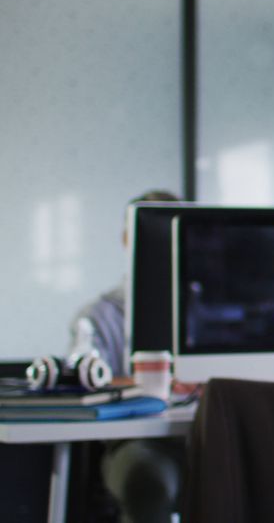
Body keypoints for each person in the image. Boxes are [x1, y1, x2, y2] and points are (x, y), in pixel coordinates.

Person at [69, 189, 185, 523]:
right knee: (145, 478)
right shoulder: (100, 315)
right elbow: (83, 380)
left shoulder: (211, 310)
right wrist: (153, 384)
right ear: (126, 239)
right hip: (140, 441)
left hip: (213, 434)